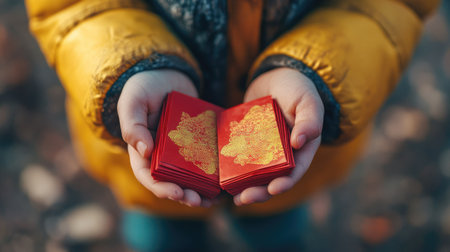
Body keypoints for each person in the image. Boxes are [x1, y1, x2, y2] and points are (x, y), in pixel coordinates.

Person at [26, 0, 439, 250]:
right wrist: (130, 68)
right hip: (150, 157)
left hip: (291, 147)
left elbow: (387, 7)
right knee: (160, 235)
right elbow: (70, 7)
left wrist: (314, 73)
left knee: (277, 229)